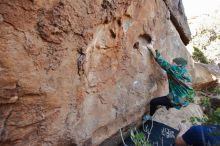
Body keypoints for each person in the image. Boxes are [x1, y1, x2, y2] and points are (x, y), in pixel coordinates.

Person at [143, 44, 195, 121]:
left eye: (173, 62)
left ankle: (150, 117)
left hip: (176, 99)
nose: (171, 63)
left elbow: (161, 61)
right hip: (185, 99)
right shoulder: (186, 73)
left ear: (179, 65)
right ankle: (170, 106)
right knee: (168, 99)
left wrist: (151, 48)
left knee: (153, 102)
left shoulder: (175, 70)